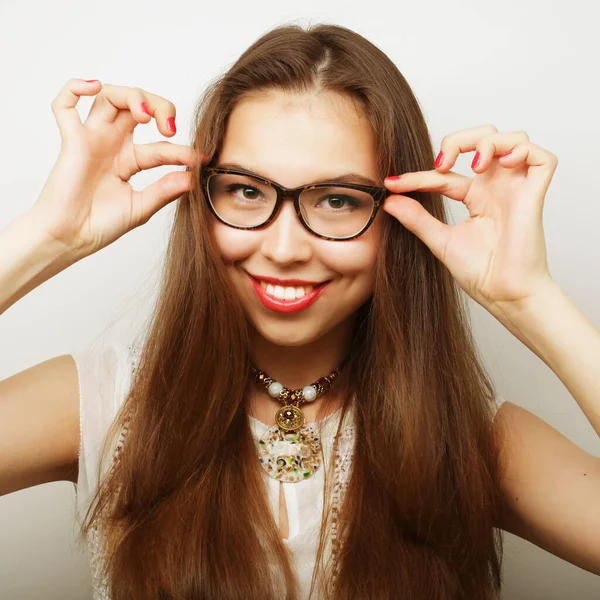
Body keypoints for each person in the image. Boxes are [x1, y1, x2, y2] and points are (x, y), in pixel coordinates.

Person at [0, 22, 599, 600]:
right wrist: (49, 237)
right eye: (246, 190)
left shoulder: (467, 438)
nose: (284, 249)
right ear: (201, 201)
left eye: (337, 199)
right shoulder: (104, 402)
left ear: (401, 216)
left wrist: (528, 298)